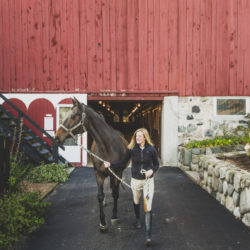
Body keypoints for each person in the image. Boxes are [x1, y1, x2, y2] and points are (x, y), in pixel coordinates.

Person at [104, 128, 159, 246]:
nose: (137, 138)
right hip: (135, 180)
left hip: (148, 181)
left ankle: (148, 236)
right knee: (136, 200)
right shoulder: (131, 149)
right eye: (136, 136)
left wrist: (151, 171)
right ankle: (138, 219)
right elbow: (122, 162)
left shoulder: (151, 149)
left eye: (140, 136)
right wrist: (110, 164)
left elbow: (157, 165)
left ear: (145, 137)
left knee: (148, 205)